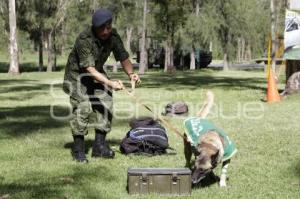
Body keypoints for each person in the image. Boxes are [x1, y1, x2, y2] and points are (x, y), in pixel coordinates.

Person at [63, 8, 140, 163]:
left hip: (96, 73)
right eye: (101, 29)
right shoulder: (84, 39)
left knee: (106, 102)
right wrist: (110, 83)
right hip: (77, 76)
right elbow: (88, 69)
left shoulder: (113, 35)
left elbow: (123, 56)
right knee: (83, 108)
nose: (106, 31)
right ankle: (78, 150)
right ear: (94, 28)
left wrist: (131, 74)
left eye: (108, 27)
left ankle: (99, 147)